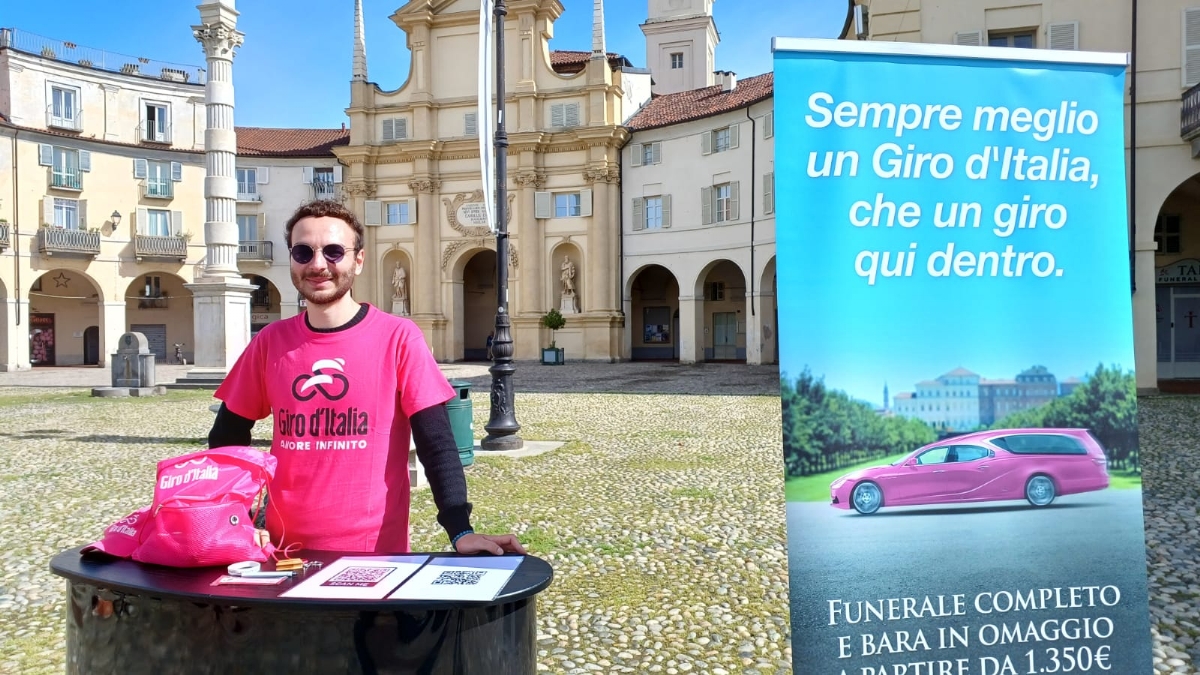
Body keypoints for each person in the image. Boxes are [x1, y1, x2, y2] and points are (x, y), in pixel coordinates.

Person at [207, 200, 524, 557]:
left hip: (375, 556)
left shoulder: (398, 338)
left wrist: (460, 529)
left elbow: (436, 442)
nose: (318, 264)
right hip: (284, 555)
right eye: (303, 252)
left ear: (358, 261)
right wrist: (240, 516)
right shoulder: (269, 343)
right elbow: (226, 440)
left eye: (333, 251)